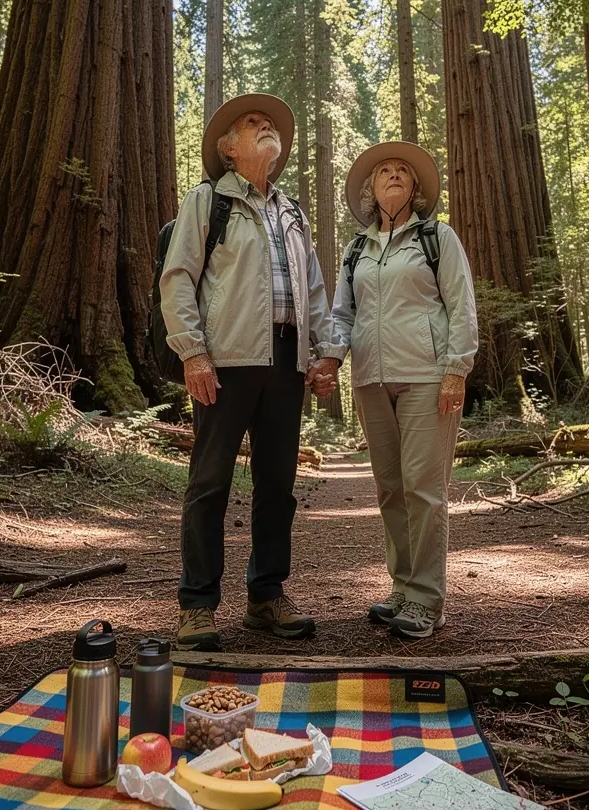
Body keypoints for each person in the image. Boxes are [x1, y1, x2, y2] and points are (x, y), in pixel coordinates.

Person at [160, 94, 343, 651]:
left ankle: (265, 596)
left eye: (271, 125)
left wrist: (324, 350)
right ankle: (196, 604)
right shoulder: (207, 202)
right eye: (253, 124)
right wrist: (192, 353)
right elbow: (178, 280)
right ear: (228, 148)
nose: (266, 129)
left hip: (286, 364)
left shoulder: (293, 213)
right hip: (226, 362)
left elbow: (312, 288)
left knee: (277, 487)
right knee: (210, 481)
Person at [318, 142, 478, 640]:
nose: (391, 176)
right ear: (370, 190)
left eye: (401, 172)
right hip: (369, 378)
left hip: (428, 376)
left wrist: (457, 368)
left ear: (415, 188)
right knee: (389, 489)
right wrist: (329, 359)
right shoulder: (355, 250)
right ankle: (403, 589)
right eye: (383, 171)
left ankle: (428, 600)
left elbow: (461, 303)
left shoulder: (437, 237)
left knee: (423, 489)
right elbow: (344, 314)